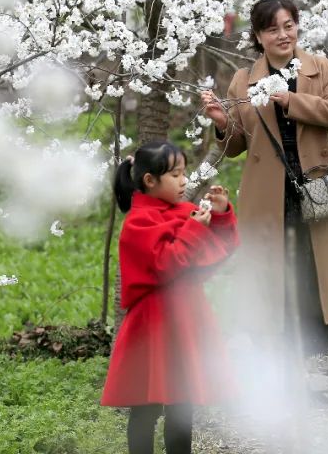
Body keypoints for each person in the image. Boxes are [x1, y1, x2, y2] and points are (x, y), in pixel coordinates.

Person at [200, 0, 328, 359]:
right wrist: (221, 124)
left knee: (324, 269)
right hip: (270, 191)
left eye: (289, 25)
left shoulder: (320, 67)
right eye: (273, 28)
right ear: (258, 36)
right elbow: (237, 146)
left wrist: (290, 99)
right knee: (281, 270)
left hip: (318, 183)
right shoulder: (243, 81)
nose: (283, 34)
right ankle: (287, 354)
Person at [101, 141, 240, 454]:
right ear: (150, 181)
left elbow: (218, 251)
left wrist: (219, 216)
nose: (183, 181)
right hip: (153, 326)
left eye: (184, 173)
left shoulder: (183, 212)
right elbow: (165, 265)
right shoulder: (137, 224)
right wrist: (193, 229)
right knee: (146, 406)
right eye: (175, 174)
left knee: (182, 402)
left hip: (186, 319)